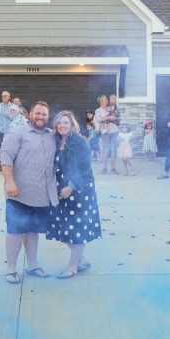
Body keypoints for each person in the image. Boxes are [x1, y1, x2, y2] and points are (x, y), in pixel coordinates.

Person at [0, 101, 58, 284]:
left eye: (44, 114)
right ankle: (11, 269)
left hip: (41, 195)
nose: (40, 117)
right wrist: (10, 182)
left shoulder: (52, 135)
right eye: (37, 113)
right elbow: (5, 157)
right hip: (19, 193)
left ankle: (32, 265)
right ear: (30, 114)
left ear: (48, 117)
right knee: (15, 231)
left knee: (33, 231)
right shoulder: (16, 133)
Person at [46, 110, 101, 279]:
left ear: (72, 125)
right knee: (63, 230)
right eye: (59, 122)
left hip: (80, 191)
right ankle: (82, 260)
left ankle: (72, 266)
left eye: (66, 122)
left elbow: (85, 168)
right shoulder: (56, 141)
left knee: (76, 229)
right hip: (61, 191)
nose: (62, 125)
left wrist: (71, 187)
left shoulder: (79, 142)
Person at [94, 95, 119, 175]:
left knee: (113, 149)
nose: (107, 100)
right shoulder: (98, 110)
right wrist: (109, 118)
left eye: (107, 99)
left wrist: (113, 117)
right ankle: (104, 168)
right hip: (105, 132)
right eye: (105, 99)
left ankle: (113, 168)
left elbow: (117, 115)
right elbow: (98, 119)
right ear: (101, 101)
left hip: (114, 130)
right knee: (106, 149)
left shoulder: (111, 108)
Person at [0, 91, 13, 169]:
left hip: (10, 130)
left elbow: (15, 118)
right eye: (2, 96)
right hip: (0, 130)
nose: (4, 97)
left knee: (9, 147)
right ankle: (2, 163)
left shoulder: (13, 106)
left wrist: (9, 116)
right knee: (0, 147)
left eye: (5, 96)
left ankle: (9, 163)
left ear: (9, 97)